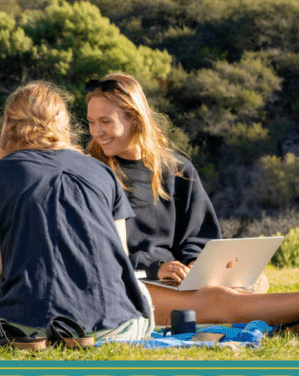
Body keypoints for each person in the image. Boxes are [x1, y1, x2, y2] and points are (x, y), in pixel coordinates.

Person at [0, 81, 154, 340]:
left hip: (28, 329)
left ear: (8, 124)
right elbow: (119, 259)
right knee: (141, 292)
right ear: (65, 124)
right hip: (118, 327)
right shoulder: (104, 173)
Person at [85, 72, 299, 328]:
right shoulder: (90, 172)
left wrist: (195, 263)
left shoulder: (176, 169)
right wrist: (155, 268)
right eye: (91, 122)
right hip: (127, 283)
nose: (97, 132)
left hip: (174, 280)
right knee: (219, 300)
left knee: (239, 287)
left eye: (105, 121)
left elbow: (197, 236)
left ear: (134, 118)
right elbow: (95, 250)